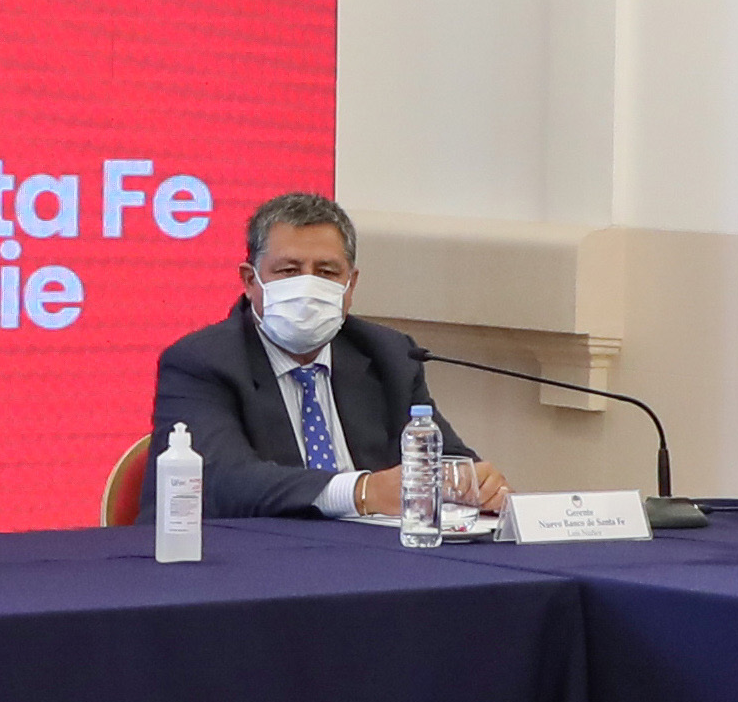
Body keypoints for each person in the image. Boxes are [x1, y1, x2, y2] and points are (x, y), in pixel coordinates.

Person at [146, 191, 514, 521]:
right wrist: (361, 492)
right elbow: (220, 482)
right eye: (289, 271)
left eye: (326, 272)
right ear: (249, 281)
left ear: (350, 284)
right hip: (243, 556)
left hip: (370, 555)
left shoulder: (389, 355)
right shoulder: (202, 361)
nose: (308, 286)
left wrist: (475, 483)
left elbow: (444, 461)